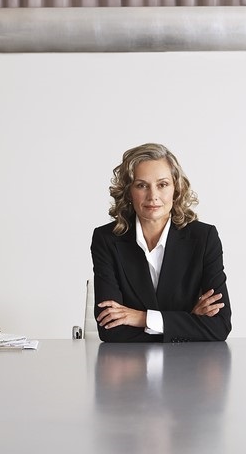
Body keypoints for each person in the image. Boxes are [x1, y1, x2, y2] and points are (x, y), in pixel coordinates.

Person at [90, 143, 231, 342]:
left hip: (188, 368)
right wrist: (188, 322)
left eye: (162, 184)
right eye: (141, 185)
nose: (153, 196)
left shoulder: (204, 238)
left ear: (176, 188)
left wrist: (141, 318)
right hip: (130, 367)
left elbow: (219, 326)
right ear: (129, 192)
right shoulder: (107, 239)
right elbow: (110, 330)